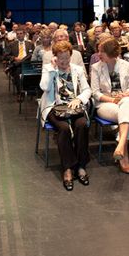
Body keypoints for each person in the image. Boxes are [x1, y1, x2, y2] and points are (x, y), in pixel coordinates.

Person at [39, 41, 92, 191]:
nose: (64, 62)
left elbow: (87, 90)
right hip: (54, 107)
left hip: (74, 107)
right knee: (63, 129)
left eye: (67, 58)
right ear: (55, 57)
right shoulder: (48, 68)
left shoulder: (77, 69)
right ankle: (67, 168)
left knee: (82, 125)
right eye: (61, 58)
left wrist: (79, 99)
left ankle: (81, 166)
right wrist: (52, 69)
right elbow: (44, 87)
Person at [90, 38, 129, 174]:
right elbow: (95, 93)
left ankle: (121, 146)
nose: (98, 54)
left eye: (101, 51)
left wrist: (126, 93)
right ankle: (124, 152)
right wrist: (111, 100)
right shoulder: (96, 67)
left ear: (110, 53)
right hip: (105, 103)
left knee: (127, 102)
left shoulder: (125, 65)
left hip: (124, 100)